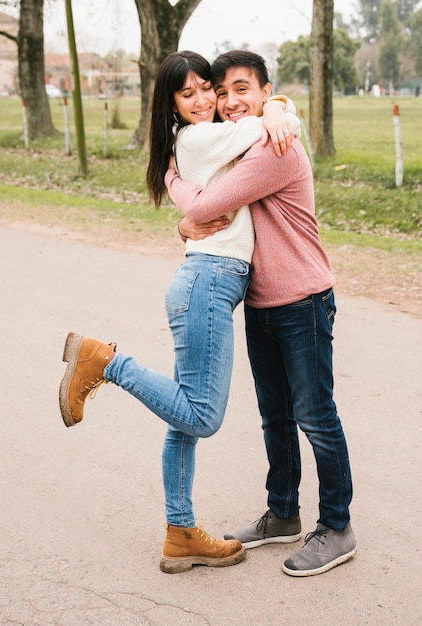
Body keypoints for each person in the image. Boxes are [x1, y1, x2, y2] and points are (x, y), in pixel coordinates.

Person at [58, 50, 300, 574]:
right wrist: (279, 108)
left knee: (182, 417)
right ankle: (105, 362)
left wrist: (183, 204)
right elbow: (258, 129)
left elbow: (205, 186)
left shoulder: (194, 145)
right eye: (185, 94)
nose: (202, 99)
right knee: (202, 417)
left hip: (205, 280)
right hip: (210, 281)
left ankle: (181, 531)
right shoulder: (199, 138)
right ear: (171, 105)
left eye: (204, 88)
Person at [166, 49, 356, 578]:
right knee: (275, 417)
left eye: (241, 89)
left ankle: (337, 526)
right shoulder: (250, 137)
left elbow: (206, 206)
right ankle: (283, 513)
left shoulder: (274, 146)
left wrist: (172, 186)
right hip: (262, 301)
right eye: (220, 92)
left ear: (266, 92)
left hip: (302, 300)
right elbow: (207, 197)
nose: (227, 102)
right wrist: (182, 213)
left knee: (316, 417)